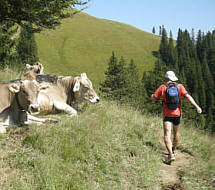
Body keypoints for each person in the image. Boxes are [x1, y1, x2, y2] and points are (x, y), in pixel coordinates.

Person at [151, 71, 202, 163]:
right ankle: (174, 150)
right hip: (177, 114)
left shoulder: (162, 87)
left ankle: (170, 154)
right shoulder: (179, 87)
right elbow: (188, 97)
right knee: (176, 133)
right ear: (173, 78)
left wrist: (152, 97)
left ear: (166, 79)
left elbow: (154, 99)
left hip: (167, 114)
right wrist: (197, 106)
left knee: (167, 134)